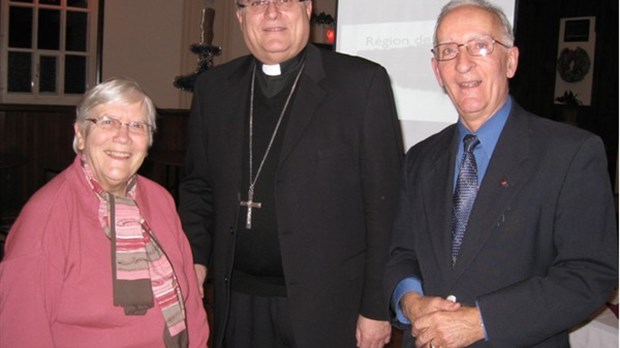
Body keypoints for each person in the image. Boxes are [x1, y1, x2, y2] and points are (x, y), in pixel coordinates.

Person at [384, 1, 618, 347]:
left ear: (510, 61)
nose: (463, 64)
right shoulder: (420, 158)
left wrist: (482, 322)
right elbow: (401, 252)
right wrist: (410, 301)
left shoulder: (570, 153)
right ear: (437, 71)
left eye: (480, 46)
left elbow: (589, 274)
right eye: (449, 51)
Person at [178, 0, 403, 347]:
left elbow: (384, 205)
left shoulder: (361, 84)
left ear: (307, 8)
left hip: (328, 309)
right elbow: (199, 186)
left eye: (284, 0)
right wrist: (194, 257)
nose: (271, 12)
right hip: (237, 302)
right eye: (256, 2)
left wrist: (375, 307)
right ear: (240, 17)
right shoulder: (214, 89)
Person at [0, 78, 210, 347]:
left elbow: (189, 298)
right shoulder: (46, 217)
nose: (123, 136)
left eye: (137, 126)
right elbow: (21, 331)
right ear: (80, 134)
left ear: (149, 141)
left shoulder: (160, 200)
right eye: (108, 121)